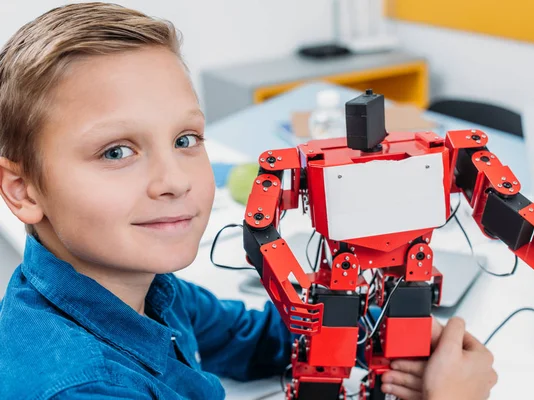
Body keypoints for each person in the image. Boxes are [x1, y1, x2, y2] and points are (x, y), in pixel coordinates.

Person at [0, 3, 497, 399]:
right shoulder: (81, 385)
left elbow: (255, 340)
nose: (174, 180)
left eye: (186, 139)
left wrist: (382, 337)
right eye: (116, 151)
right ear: (23, 191)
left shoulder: (149, 291)